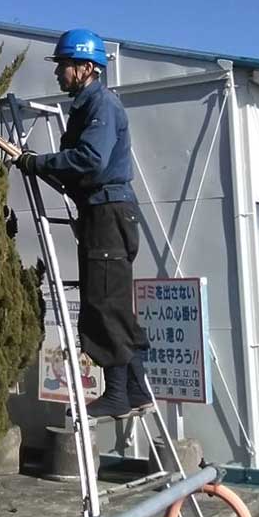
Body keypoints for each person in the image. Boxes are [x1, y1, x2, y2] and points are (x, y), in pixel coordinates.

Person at [15, 28, 152, 418]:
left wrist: (40, 162)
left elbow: (90, 160)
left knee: (104, 304)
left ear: (87, 67)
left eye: (64, 65)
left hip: (108, 213)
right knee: (113, 303)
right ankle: (136, 391)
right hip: (102, 212)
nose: (58, 73)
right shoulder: (87, 107)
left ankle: (118, 395)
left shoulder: (102, 105)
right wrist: (41, 166)